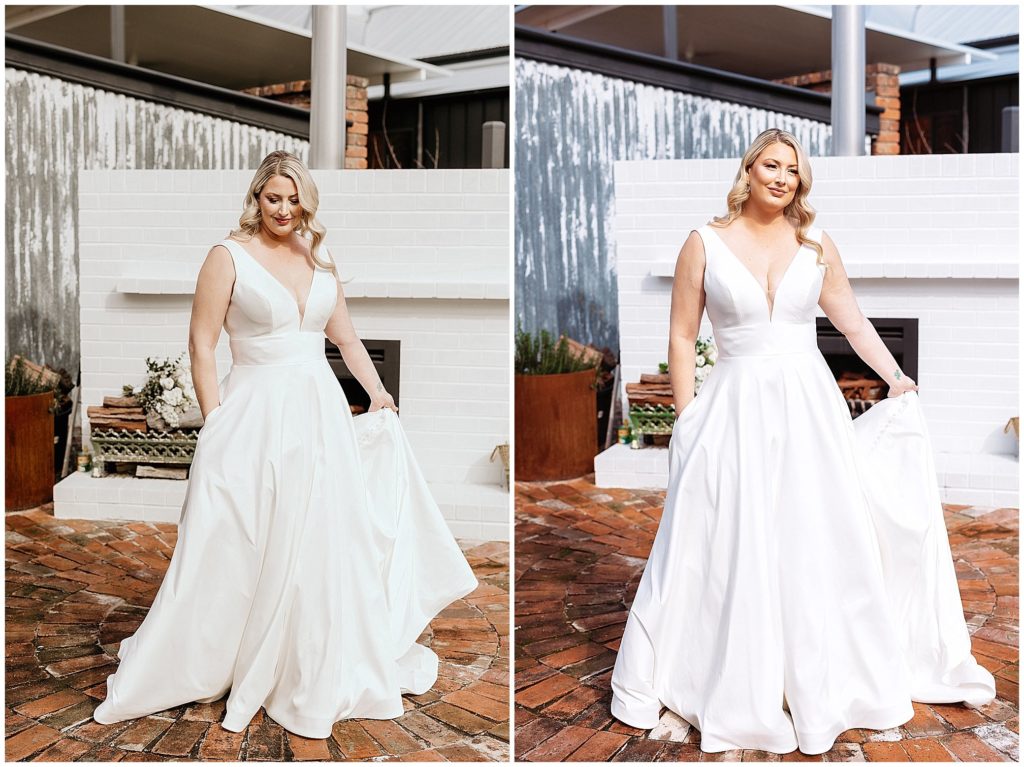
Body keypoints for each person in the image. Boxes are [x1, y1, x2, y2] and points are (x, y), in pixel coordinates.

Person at [609, 129, 995, 755]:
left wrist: (895, 376)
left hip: (807, 406)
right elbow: (682, 338)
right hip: (732, 406)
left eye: (793, 168)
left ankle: (815, 673)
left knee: (812, 532)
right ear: (749, 170)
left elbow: (852, 318)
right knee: (733, 535)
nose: (782, 177)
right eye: (772, 165)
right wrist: (687, 419)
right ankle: (734, 673)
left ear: (801, 179)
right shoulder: (702, 243)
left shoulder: (816, 244)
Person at [92, 150, 478, 739]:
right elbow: (201, 345)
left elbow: (346, 340)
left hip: (319, 415)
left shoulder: (318, 255)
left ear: (307, 202)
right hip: (252, 416)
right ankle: (220, 655)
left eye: (294, 199)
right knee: (243, 539)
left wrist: (378, 395)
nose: (284, 209)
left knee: (321, 539)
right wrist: (216, 421)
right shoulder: (227, 257)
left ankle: (309, 661)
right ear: (256, 198)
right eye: (274, 197)